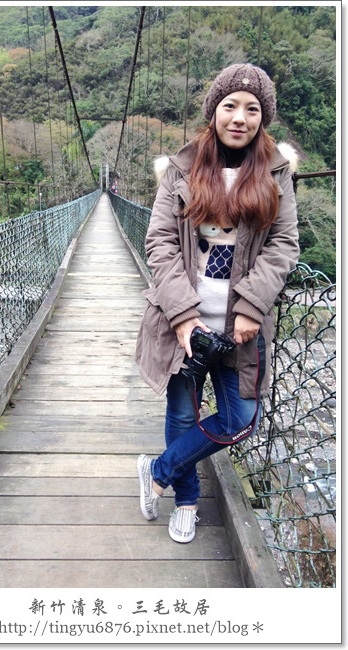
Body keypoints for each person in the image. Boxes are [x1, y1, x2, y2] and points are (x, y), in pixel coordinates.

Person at [135, 63, 300, 543]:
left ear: (263, 118)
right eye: (230, 106)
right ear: (214, 111)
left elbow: (283, 244)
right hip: (182, 325)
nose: (240, 118)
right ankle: (186, 501)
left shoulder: (277, 172)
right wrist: (182, 317)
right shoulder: (180, 170)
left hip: (240, 328)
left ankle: (158, 471)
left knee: (241, 418)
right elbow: (160, 242)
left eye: (253, 109)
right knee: (183, 415)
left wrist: (252, 306)